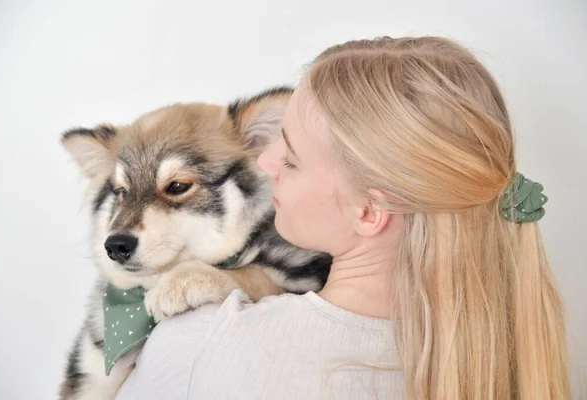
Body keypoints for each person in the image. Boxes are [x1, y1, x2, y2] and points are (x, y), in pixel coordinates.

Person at [116, 36, 571, 399]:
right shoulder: (516, 362)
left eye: (291, 158)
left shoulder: (202, 343)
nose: (267, 162)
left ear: (369, 211)